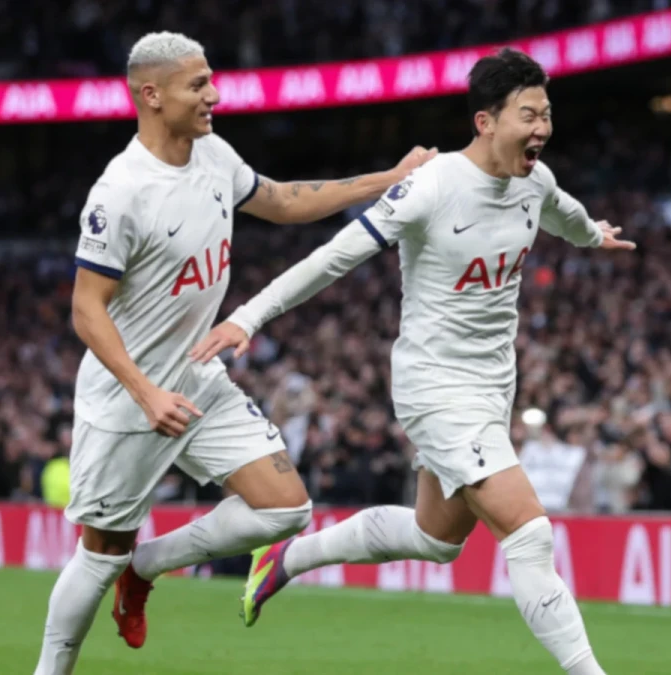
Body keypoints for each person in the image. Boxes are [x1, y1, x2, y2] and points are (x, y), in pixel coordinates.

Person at [191, 48, 634, 674]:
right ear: (486, 122)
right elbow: (334, 257)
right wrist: (248, 315)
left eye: (547, 114)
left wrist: (594, 235)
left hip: (493, 386)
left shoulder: (533, 180)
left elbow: (564, 213)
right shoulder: (433, 186)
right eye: (529, 115)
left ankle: (288, 558)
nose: (542, 128)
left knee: (436, 538)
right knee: (530, 533)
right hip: (435, 387)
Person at [34, 31, 434, 675]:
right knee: (99, 554)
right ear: (152, 95)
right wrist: (145, 392)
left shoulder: (213, 153)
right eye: (198, 84)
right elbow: (86, 309)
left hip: (197, 376)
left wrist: (387, 181)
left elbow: (282, 200)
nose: (214, 94)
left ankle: (146, 568)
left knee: (285, 509)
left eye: (211, 80)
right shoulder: (121, 191)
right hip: (129, 401)